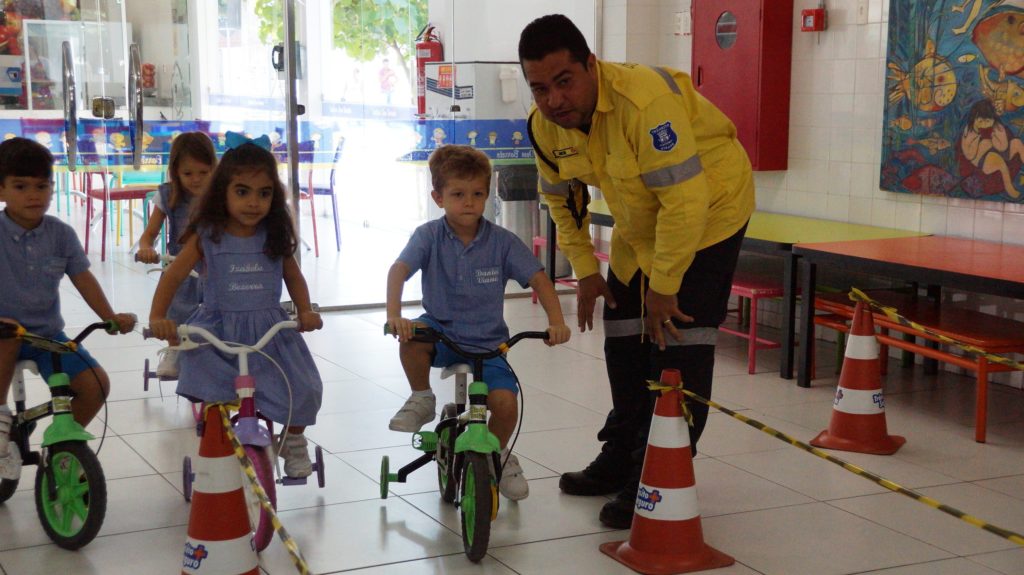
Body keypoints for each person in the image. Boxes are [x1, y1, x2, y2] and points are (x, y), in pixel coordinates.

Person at [519, 14, 755, 528]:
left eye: (564, 81)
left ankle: (657, 477)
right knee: (623, 331)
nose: (554, 100)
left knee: (675, 342)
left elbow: (686, 202)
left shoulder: (641, 103)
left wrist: (666, 288)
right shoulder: (545, 129)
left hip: (710, 209)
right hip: (643, 221)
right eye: (539, 88)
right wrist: (585, 269)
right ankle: (622, 451)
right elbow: (561, 199)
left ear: (591, 65)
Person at [385, 144, 571, 501]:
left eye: (477, 194)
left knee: (505, 405)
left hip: (490, 345)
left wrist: (557, 321)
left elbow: (539, 279)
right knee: (412, 337)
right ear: (438, 198)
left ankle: (498, 453)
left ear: (488, 195)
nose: (468, 202)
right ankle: (421, 398)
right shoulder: (428, 236)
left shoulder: (501, 242)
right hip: (440, 332)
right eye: (457, 194)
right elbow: (399, 270)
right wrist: (395, 315)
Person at [148, 134, 324, 478]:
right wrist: (158, 317)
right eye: (242, 191)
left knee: (304, 387)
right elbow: (173, 276)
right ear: (222, 192)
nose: (254, 202)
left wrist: (304, 311)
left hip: (268, 330)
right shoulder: (208, 235)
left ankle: (293, 441)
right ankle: (215, 448)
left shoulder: (273, 234)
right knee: (211, 391)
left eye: (264, 193)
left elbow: (294, 276)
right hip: (219, 329)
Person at [0, 137, 136, 480]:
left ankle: (61, 447)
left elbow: (83, 278)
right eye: (20, 186)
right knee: (6, 333)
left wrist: (109, 317)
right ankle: (0, 420)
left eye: (42, 186)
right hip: (2, 334)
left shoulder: (60, 233)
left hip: (46, 335)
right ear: (1, 191)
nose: (34, 194)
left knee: (96, 384)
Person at [136, 132, 217, 377]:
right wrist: (146, 248)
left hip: (215, 266)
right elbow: (149, 234)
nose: (196, 180)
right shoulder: (169, 196)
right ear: (175, 172)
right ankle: (173, 350)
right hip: (181, 267)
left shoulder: (222, 196)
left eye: (204, 172)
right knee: (175, 309)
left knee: (218, 313)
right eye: (188, 174)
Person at [958, 98, 1024, 198]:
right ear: (974, 120)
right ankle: (1009, 188)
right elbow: (969, 155)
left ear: (993, 119)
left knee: (1017, 143)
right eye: (980, 121)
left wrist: (993, 138)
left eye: (988, 121)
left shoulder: (997, 127)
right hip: (982, 158)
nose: (984, 124)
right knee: (998, 160)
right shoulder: (969, 131)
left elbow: (1003, 147)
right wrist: (979, 138)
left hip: (1000, 151)